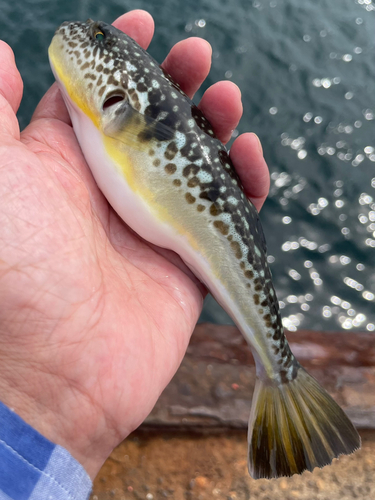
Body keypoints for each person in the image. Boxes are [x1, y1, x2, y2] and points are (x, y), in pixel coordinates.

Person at [0, 9, 270, 499]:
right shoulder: (108, 110)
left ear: (118, 98)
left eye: (100, 42)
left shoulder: (122, 111)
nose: (83, 34)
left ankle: (278, 371)